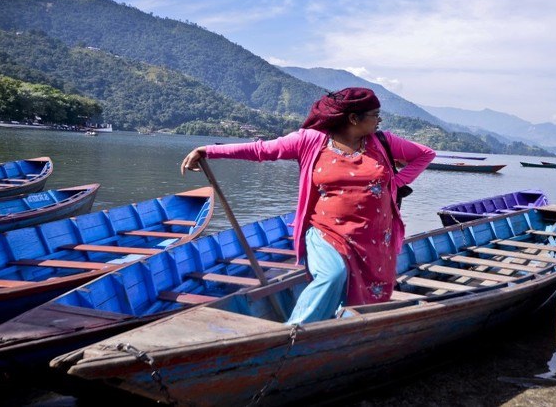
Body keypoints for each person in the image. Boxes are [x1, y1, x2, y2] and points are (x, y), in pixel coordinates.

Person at [181, 87, 435, 324]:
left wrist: (396, 182)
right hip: (327, 231)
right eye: (375, 115)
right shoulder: (311, 140)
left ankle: (342, 332)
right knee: (331, 276)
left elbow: (425, 154)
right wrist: (209, 150)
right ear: (354, 119)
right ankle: (294, 333)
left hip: (374, 236)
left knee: (369, 295)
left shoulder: (383, 142)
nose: (379, 120)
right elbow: (262, 150)